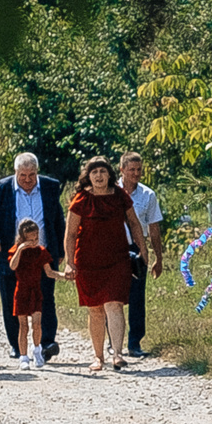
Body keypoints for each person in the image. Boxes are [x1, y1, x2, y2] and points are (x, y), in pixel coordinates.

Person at [64, 157, 144, 374]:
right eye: (94, 172)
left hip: (117, 259)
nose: (99, 176)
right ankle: (98, 356)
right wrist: (70, 263)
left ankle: (117, 354)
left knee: (114, 304)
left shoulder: (120, 196)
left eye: (102, 171)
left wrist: (143, 249)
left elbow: (134, 223)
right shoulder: (81, 199)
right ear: (88, 176)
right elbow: (70, 234)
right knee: (96, 309)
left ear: (110, 174)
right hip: (88, 261)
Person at [0, 152, 66, 362]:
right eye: (23, 175)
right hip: (13, 256)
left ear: (37, 172)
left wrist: (61, 251)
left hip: (42, 254)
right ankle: (16, 345)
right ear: (15, 173)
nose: (27, 179)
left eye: (31, 175)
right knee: (12, 301)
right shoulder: (1, 188)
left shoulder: (49, 187)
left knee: (46, 299)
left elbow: (57, 218)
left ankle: (47, 343)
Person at [119, 151, 166, 359]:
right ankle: (114, 341)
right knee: (113, 297)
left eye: (139, 170)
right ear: (122, 170)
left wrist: (158, 257)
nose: (136, 174)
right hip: (114, 248)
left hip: (138, 248)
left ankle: (135, 342)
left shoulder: (148, 195)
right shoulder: (110, 191)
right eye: (131, 170)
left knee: (137, 297)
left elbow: (154, 228)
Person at [5, 220, 62, 371]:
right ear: (23, 237)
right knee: (23, 326)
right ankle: (23, 357)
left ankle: (37, 349)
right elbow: (12, 266)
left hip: (36, 291)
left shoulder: (41, 251)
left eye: (36, 237)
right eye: (30, 238)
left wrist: (64, 276)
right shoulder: (16, 249)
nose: (34, 241)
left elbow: (49, 272)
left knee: (37, 323)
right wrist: (21, 248)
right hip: (21, 291)